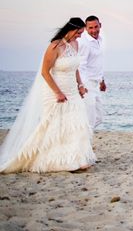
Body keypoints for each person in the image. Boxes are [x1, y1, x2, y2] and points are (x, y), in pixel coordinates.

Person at [0, 18, 96, 173]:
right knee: (54, 126)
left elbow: (75, 68)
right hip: (55, 91)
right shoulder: (54, 46)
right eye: (79, 33)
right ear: (71, 30)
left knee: (76, 123)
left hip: (72, 91)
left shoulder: (75, 44)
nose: (80, 36)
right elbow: (45, 72)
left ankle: (77, 159)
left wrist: (80, 85)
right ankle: (54, 161)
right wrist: (58, 92)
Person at [78, 15, 106, 132]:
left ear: (100, 25)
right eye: (90, 28)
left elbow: (98, 62)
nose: (94, 30)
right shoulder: (84, 43)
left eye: (96, 27)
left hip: (96, 83)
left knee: (99, 117)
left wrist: (102, 80)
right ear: (85, 28)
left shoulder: (100, 40)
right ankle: (85, 148)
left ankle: (81, 138)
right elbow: (81, 66)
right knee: (90, 119)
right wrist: (82, 86)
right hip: (87, 84)